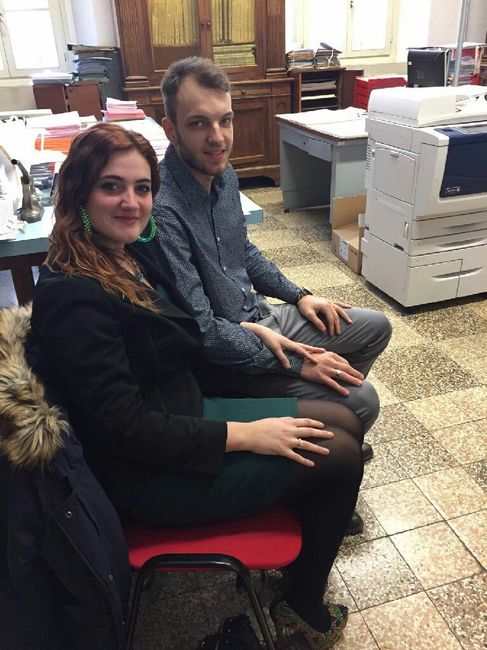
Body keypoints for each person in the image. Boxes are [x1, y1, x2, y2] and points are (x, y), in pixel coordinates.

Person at [28, 122, 363, 648]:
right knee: (338, 455)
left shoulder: (125, 251)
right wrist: (248, 436)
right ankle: (303, 607)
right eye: (112, 186)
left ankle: (295, 546)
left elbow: (185, 324)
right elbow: (123, 429)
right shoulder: (72, 293)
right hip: (148, 471)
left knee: (344, 420)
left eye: (142, 188)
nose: (132, 202)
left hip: (184, 413)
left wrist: (251, 327)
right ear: (79, 192)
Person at [129, 56, 392, 466]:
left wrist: (300, 295)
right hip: (227, 357)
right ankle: (331, 447)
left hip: (260, 318)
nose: (218, 137)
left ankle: (331, 427)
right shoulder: (164, 211)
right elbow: (203, 332)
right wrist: (296, 365)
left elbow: (244, 252)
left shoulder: (224, 175)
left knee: (374, 327)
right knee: (363, 401)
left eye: (225, 120)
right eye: (199, 124)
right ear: (171, 129)